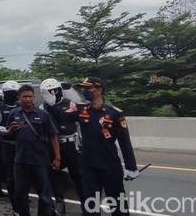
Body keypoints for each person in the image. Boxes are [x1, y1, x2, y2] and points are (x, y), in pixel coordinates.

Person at [47, 77, 139, 216]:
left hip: (109, 165)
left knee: (118, 206)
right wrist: (52, 105)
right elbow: (62, 118)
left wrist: (131, 167)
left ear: (99, 90)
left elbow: (124, 142)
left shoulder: (114, 113)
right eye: (84, 88)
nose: (85, 91)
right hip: (87, 166)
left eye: (88, 88)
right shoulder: (80, 109)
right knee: (90, 207)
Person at [7, 84, 61, 216]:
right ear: (19, 98)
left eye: (30, 96)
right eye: (24, 96)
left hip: (40, 160)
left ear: (34, 97)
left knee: (44, 195)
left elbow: (53, 136)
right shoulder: (14, 114)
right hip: (20, 161)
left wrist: (57, 157)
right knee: (20, 194)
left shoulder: (43, 115)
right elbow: (8, 133)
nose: (28, 99)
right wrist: (11, 131)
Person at [39, 78, 85, 215]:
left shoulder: (69, 103)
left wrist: (81, 143)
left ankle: (86, 204)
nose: (53, 94)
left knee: (78, 176)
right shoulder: (43, 107)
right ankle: (60, 203)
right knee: (54, 175)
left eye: (55, 91)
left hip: (70, 143)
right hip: (54, 145)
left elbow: (76, 124)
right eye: (50, 92)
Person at [0, 80, 21, 214]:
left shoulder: (21, 106)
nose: (13, 95)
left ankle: (21, 198)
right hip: (6, 144)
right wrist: (7, 130)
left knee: (22, 173)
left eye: (15, 93)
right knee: (9, 173)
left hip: (22, 145)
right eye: (10, 93)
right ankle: (14, 201)